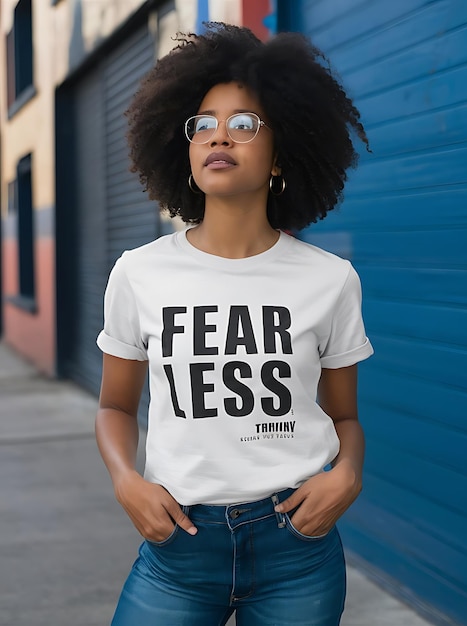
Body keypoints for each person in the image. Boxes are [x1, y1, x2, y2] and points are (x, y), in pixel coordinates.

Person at [95, 22, 373, 626]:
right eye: (203, 124)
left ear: (283, 152)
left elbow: (345, 416)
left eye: (245, 123)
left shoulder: (329, 280)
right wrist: (126, 481)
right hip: (179, 553)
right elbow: (115, 407)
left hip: (296, 549)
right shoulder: (139, 273)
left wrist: (348, 473)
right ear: (183, 146)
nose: (220, 135)